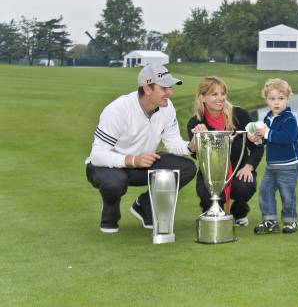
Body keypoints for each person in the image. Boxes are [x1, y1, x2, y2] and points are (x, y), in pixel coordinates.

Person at [85, 64, 197, 234]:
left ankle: (144, 206)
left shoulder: (167, 108)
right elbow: (97, 155)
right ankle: (110, 211)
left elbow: (173, 143)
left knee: (187, 168)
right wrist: (132, 160)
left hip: (142, 164)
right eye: (164, 88)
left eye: (170, 87)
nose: (170, 93)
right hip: (107, 167)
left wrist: (190, 146)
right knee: (115, 183)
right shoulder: (117, 110)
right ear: (147, 88)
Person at [186, 76, 264, 227]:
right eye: (214, 94)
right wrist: (197, 138)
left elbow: (257, 146)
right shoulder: (195, 123)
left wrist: (249, 166)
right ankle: (212, 209)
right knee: (210, 200)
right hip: (210, 175)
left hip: (238, 171)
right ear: (202, 97)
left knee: (245, 186)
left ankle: (239, 212)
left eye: (223, 93)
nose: (220, 98)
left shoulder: (240, 114)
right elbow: (196, 153)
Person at [252, 78, 298, 234]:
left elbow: (288, 137)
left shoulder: (289, 119)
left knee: (287, 195)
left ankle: (290, 221)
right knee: (265, 191)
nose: (276, 103)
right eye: (272, 99)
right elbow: (267, 140)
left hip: (288, 166)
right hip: (271, 166)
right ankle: (270, 221)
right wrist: (258, 140)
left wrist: (267, 133)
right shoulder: (267, 118)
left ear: (287, 99)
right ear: (266, 100)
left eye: (281, 98)